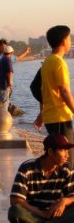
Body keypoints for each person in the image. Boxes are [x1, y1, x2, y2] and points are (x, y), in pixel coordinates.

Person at [8, 133, 74, 223]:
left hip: (55, 214)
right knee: (15, 211)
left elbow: (72, 196)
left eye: (67, 151)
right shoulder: (27, 168)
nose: (67, 155)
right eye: (63, 151)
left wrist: (64, 201)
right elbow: (15, 200)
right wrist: (41, 213)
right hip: (33, 215)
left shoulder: (66, 168)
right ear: (50, 152)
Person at [35, 25, 74, 167]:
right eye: (69, 38)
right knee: (66, 158)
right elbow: (64, 91)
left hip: (51, 116)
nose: (70, 42)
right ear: (64, 41)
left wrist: (42, 113)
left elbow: (41, 89)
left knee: (56, 157)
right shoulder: (58, 62)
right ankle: (66, 187)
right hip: (60, 116)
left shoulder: (47, 61)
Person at [0, 45, 15, 110]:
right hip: (4, 86)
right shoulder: (8, 60)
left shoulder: (1, 60)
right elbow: (9, 73)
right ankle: (3, 117)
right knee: (4, 104)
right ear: (11, 53)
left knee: (0, 104)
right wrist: (9, 84)